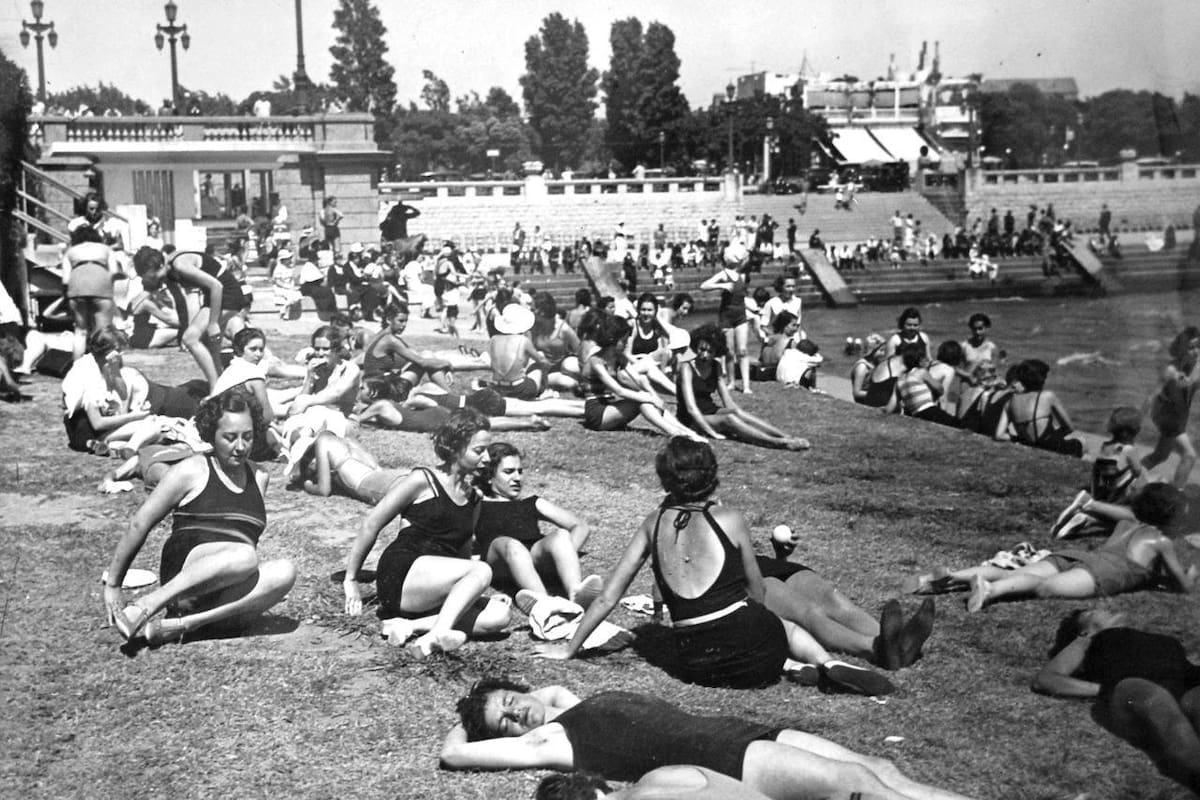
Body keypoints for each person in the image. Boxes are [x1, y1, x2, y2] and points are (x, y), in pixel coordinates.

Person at [534, 438, 891, 694]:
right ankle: (825, 662)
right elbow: (758, 590)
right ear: (711, 476)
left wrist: (569, 649)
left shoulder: (652, 522)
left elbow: (609, 596)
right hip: (756, 653)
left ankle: (795, 666)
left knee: (743, 629)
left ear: (665, 480)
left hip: (697, 663)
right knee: (779, 624)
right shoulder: (729, 518)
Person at [442, 679, 973, 800]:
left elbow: (553, 688)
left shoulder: (570, 702)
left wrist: (493, 698)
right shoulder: (550, 742)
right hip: (727, 760)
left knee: (882, 769)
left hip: (740, 735)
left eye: (510, 700)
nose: (517, 714)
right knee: (862, 788)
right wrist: (467, 718)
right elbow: (453, 753)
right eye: (505, 722)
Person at [104, 391, 296, 646]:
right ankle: (147, 605)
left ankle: (185, 625)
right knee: (246, 555)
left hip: (224, 586)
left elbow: (246, 537)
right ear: (211, 435)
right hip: (185, 578)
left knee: (285, 571)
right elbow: (141, 523)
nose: (240, 447)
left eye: (247, 437)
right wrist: (114, 585)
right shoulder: (192, 469)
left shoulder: (259, 477)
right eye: (230, 437)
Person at [343, 409, 512, 655]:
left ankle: (407, 626)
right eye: (479, 450)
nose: (487, 458)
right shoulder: (422, 480)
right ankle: (438, 632)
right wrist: (351, 579)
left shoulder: (474, 498)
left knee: (500, 615)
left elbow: (461, 555)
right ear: (455, 448)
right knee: (482, 569)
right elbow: (372, 523)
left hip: (430, 588)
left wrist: (471, 595)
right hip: (402, 573)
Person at [904, 483, 1196, 612]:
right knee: (1043, 587)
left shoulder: (1126, 523)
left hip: (1081, 557)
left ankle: (954, 576)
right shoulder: (1161, 542)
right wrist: (1193, 572)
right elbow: (1181, 585)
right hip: (1105, 573)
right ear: (1168, 517)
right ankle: (991, 591)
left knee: (1022, 572)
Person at [1031, 609, 1200, 794]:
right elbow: (1046, 679)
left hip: (1184, 684)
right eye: (1092, 612)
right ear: (1085, 629)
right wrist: (1104, 688)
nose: (1106, 609)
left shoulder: (1157, 638)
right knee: (1157, 702)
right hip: (1137, 688)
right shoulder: (1087, 641)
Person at [475, 442, 601, 607]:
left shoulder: (531, 503)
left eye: (520, 472)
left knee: (561, 536)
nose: (517, 478)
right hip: (499, 558)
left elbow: (580, 526)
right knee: (511, 545)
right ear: (489, 476)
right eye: (508, 472)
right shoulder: (477, 501)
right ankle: (546, 605)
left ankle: (575, 593)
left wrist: (563, 556)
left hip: (531, 557)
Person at [676, 324, 809, 450]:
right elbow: (691, 408)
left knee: (736, 413)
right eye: (702, 349)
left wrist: (739, 414)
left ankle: (785, 436)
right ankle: (778, 442)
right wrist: (711, 433)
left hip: (710, 410)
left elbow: (729, 403)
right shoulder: (686, 367)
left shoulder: (715, 366)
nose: (705, 355)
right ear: (695, 346)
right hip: (691, 419)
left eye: (710, 351)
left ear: (716, 351)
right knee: (729, 419)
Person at [577, 312, 699, 440]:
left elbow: (639, 379)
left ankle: (685, 431)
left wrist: (654, 396)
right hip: (596, 413)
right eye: (624, 340)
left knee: (644, 398)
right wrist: (650, 398)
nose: (626, 344)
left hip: (609, 407)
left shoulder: (619, 358)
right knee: (641, 400)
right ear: (612, 339)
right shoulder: (596, 361)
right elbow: (619, 391)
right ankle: (674, 432)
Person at [131, 246, 226, 391]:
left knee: (194, 338)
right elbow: (182, 303)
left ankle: (217, 387)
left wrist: (201, 325)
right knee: (203, 341)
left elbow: (192, 297)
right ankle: (220, 383)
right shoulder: (166, 273)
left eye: (151, 276)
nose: (153, 280)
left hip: (223, 294)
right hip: (216, 295)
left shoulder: (178, 266)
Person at [1141, 327, 1200, 488]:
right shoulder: (1172, 369)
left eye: (1198, 347)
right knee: (1189, 455)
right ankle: (1177, 492)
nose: (1195, 351)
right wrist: (1137, 420)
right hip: (1166, 415)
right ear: (1181, 349)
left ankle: (1129, 474)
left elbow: (1191, 384)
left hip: (1179, 417)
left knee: (1160, 455)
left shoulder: (1194, 367)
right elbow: (1153, 394)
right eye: (1190, 348)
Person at [360, 303, 454, 403]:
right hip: (383, 390)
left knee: (426, 355)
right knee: (427, 355)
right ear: (388, 320)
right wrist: (448, 364)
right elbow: (422, 362)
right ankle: (452, 398)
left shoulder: (380, 335)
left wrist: (440, 365)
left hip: (374, 387)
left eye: (406, 321)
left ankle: (451, 396)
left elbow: (413, 356)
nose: (404, 325)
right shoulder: (390, 340)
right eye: (400, 321)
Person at [292, 430, 408, 505]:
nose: (311, 467)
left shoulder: (322, 442)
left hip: (370, 483)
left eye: (306, 463)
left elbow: (324, 490)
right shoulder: (349, 440)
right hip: (389, 475)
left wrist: (308, 485)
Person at [994, 360, 1083, 457]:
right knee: (1082, 442)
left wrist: (1020, 440)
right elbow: (1069, 428)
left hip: (1028, 443)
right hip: (1050, 445)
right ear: (1040, 379)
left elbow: (999, 435)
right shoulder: (1048, 396)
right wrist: (1050, 438)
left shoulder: (1009, 402)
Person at [62, 221, 121, 361]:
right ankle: (106, 365)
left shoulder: (70, 252)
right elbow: (114, 272)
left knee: (80, 330)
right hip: (101, 283)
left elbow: (65, 280)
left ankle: (77, 367)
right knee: (103, 329)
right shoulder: (106, 249)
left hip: (76, 286)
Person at [699, 258, 753, 394]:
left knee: (743, 350)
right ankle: (732, 381)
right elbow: (703, 286)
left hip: (741, 315)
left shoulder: (743, 274)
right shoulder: (724, 274)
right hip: (726, 317)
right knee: (729, 351)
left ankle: (746, 385)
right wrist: (721, 286)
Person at [896, 343, 959, 428]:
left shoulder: (901, 378)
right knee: (958, 424)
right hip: (928, 409)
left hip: (913, 411)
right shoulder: (923, 372)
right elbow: (941, 391)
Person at [849, 333, 888, 405]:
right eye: (881, 350)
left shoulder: (875, 364)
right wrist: (879, 395)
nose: (884, 353)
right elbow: (857, 393)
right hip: (864, 403)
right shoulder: (862, 367)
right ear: (872, 350)